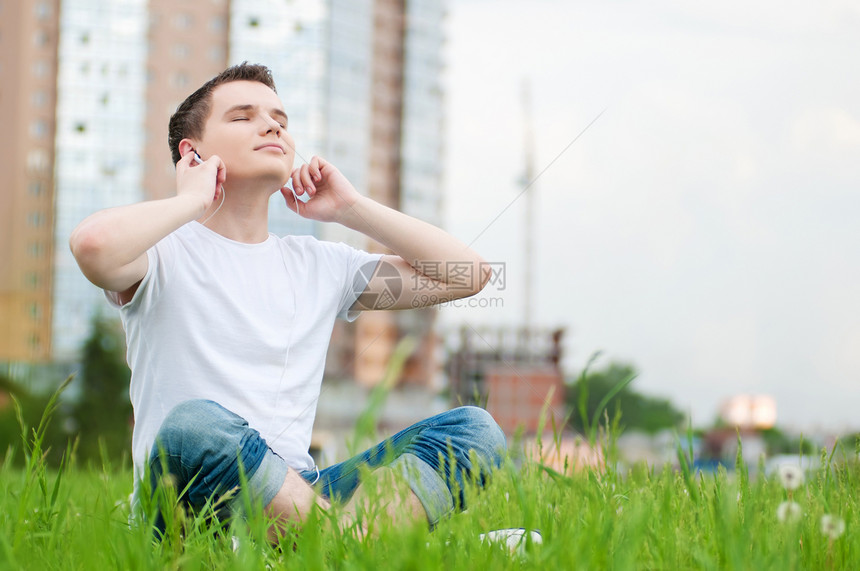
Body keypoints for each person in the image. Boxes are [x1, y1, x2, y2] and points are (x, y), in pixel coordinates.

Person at [69, 63, 506, 539]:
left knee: (475, 432)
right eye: (243, 116)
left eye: (280, 117)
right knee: (195, 425)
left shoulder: (320, 264)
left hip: (302, 493)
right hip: (187, 507)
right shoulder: (160, 252)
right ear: (192, 152)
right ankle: (353, 545)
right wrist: (192, 201)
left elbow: (468, 275)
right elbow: (93, 245)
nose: (272, 125)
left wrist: (351, 209)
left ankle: (332, 544)